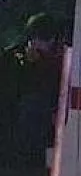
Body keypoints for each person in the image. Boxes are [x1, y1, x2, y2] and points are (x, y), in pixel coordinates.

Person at [14, 13, 66, 165]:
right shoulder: (46, 57)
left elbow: (42, 86)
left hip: (49, 112)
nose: (32, 43)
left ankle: (27, 160)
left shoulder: (58, 58)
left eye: (34, 39)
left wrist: (34, 63)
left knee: (30, 105)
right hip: (49, 113)